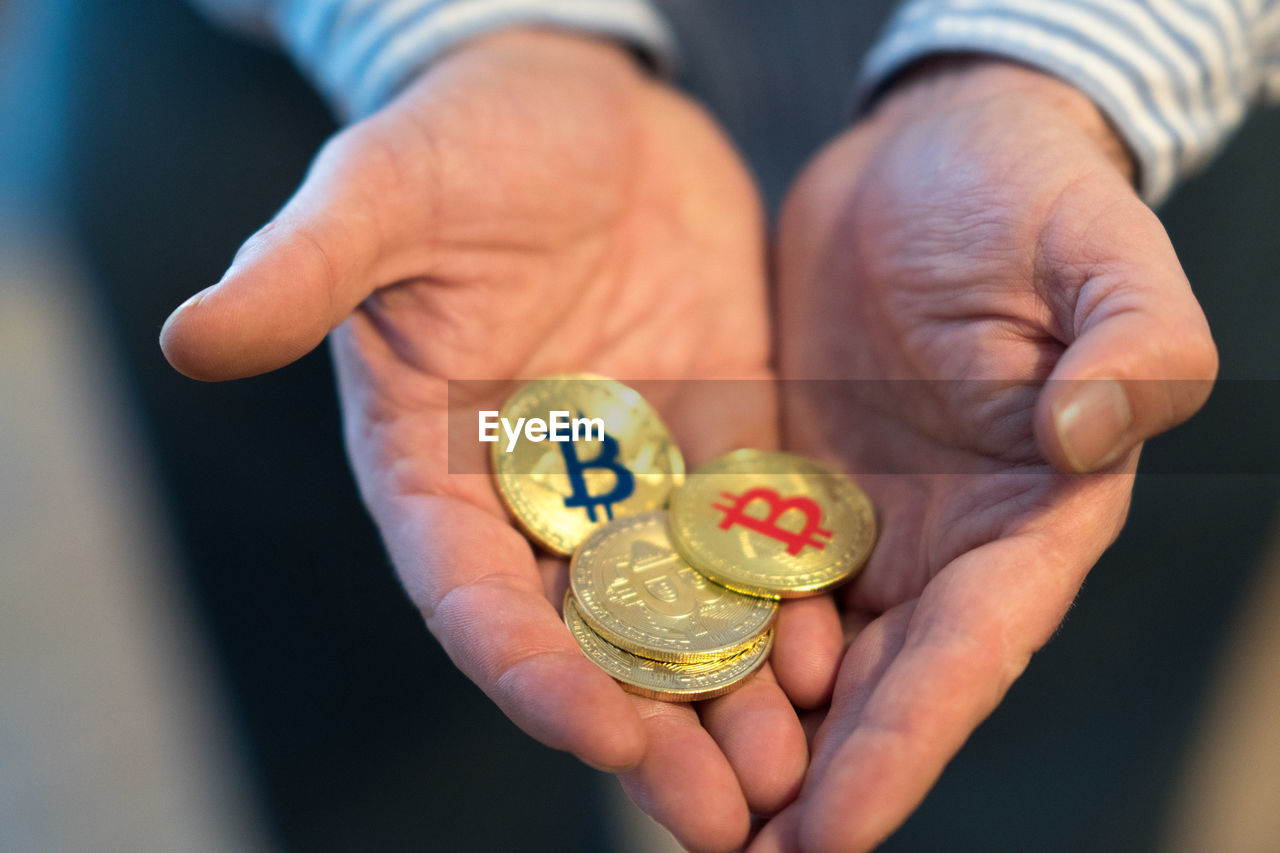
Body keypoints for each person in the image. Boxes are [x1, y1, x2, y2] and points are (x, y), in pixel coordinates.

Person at [160, 1, 1280, 850]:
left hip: (1113, 158)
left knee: (1033, 752)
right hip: (320, 93)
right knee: (388, 755)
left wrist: (1051, 62)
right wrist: (473, 29)